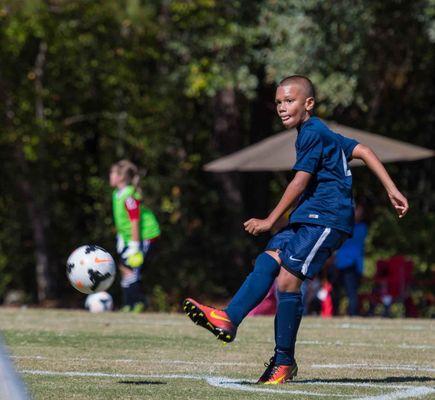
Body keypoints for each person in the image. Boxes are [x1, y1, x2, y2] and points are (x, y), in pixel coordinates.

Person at [183, 75, 409, 384]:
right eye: (278, 102)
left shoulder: (312, 133)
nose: (281, 107)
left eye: (289, 101)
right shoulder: (320, 133)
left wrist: (270, 220)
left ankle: (284, 362)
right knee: (268, 259)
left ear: (308, 104)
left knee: (288, 281)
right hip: (308, 217)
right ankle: (229, 318)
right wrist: (392, 189)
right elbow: (365, 151)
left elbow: (299, 181)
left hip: (328, 218)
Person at [109, 160, 160, 312]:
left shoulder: (129, 196)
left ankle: (137, 303)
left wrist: (134, 245)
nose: (109, 176)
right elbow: (122, 221)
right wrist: (121, 237)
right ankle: (128, 304)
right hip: (129, 237)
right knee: (124, 267)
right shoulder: (116, 194)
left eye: (112, 173)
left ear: (120, 177)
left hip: (145, 236)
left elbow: (134, 221)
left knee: (131, 267)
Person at [331, 202, 368, 316]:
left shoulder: (361, 228)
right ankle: (334, 313)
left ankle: (352, 314)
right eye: (357, 210)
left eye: (360, 211)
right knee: (335, 291)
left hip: (351, 264)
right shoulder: (344, 225)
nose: (358, 213)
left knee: (351, 292)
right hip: (338, 263)